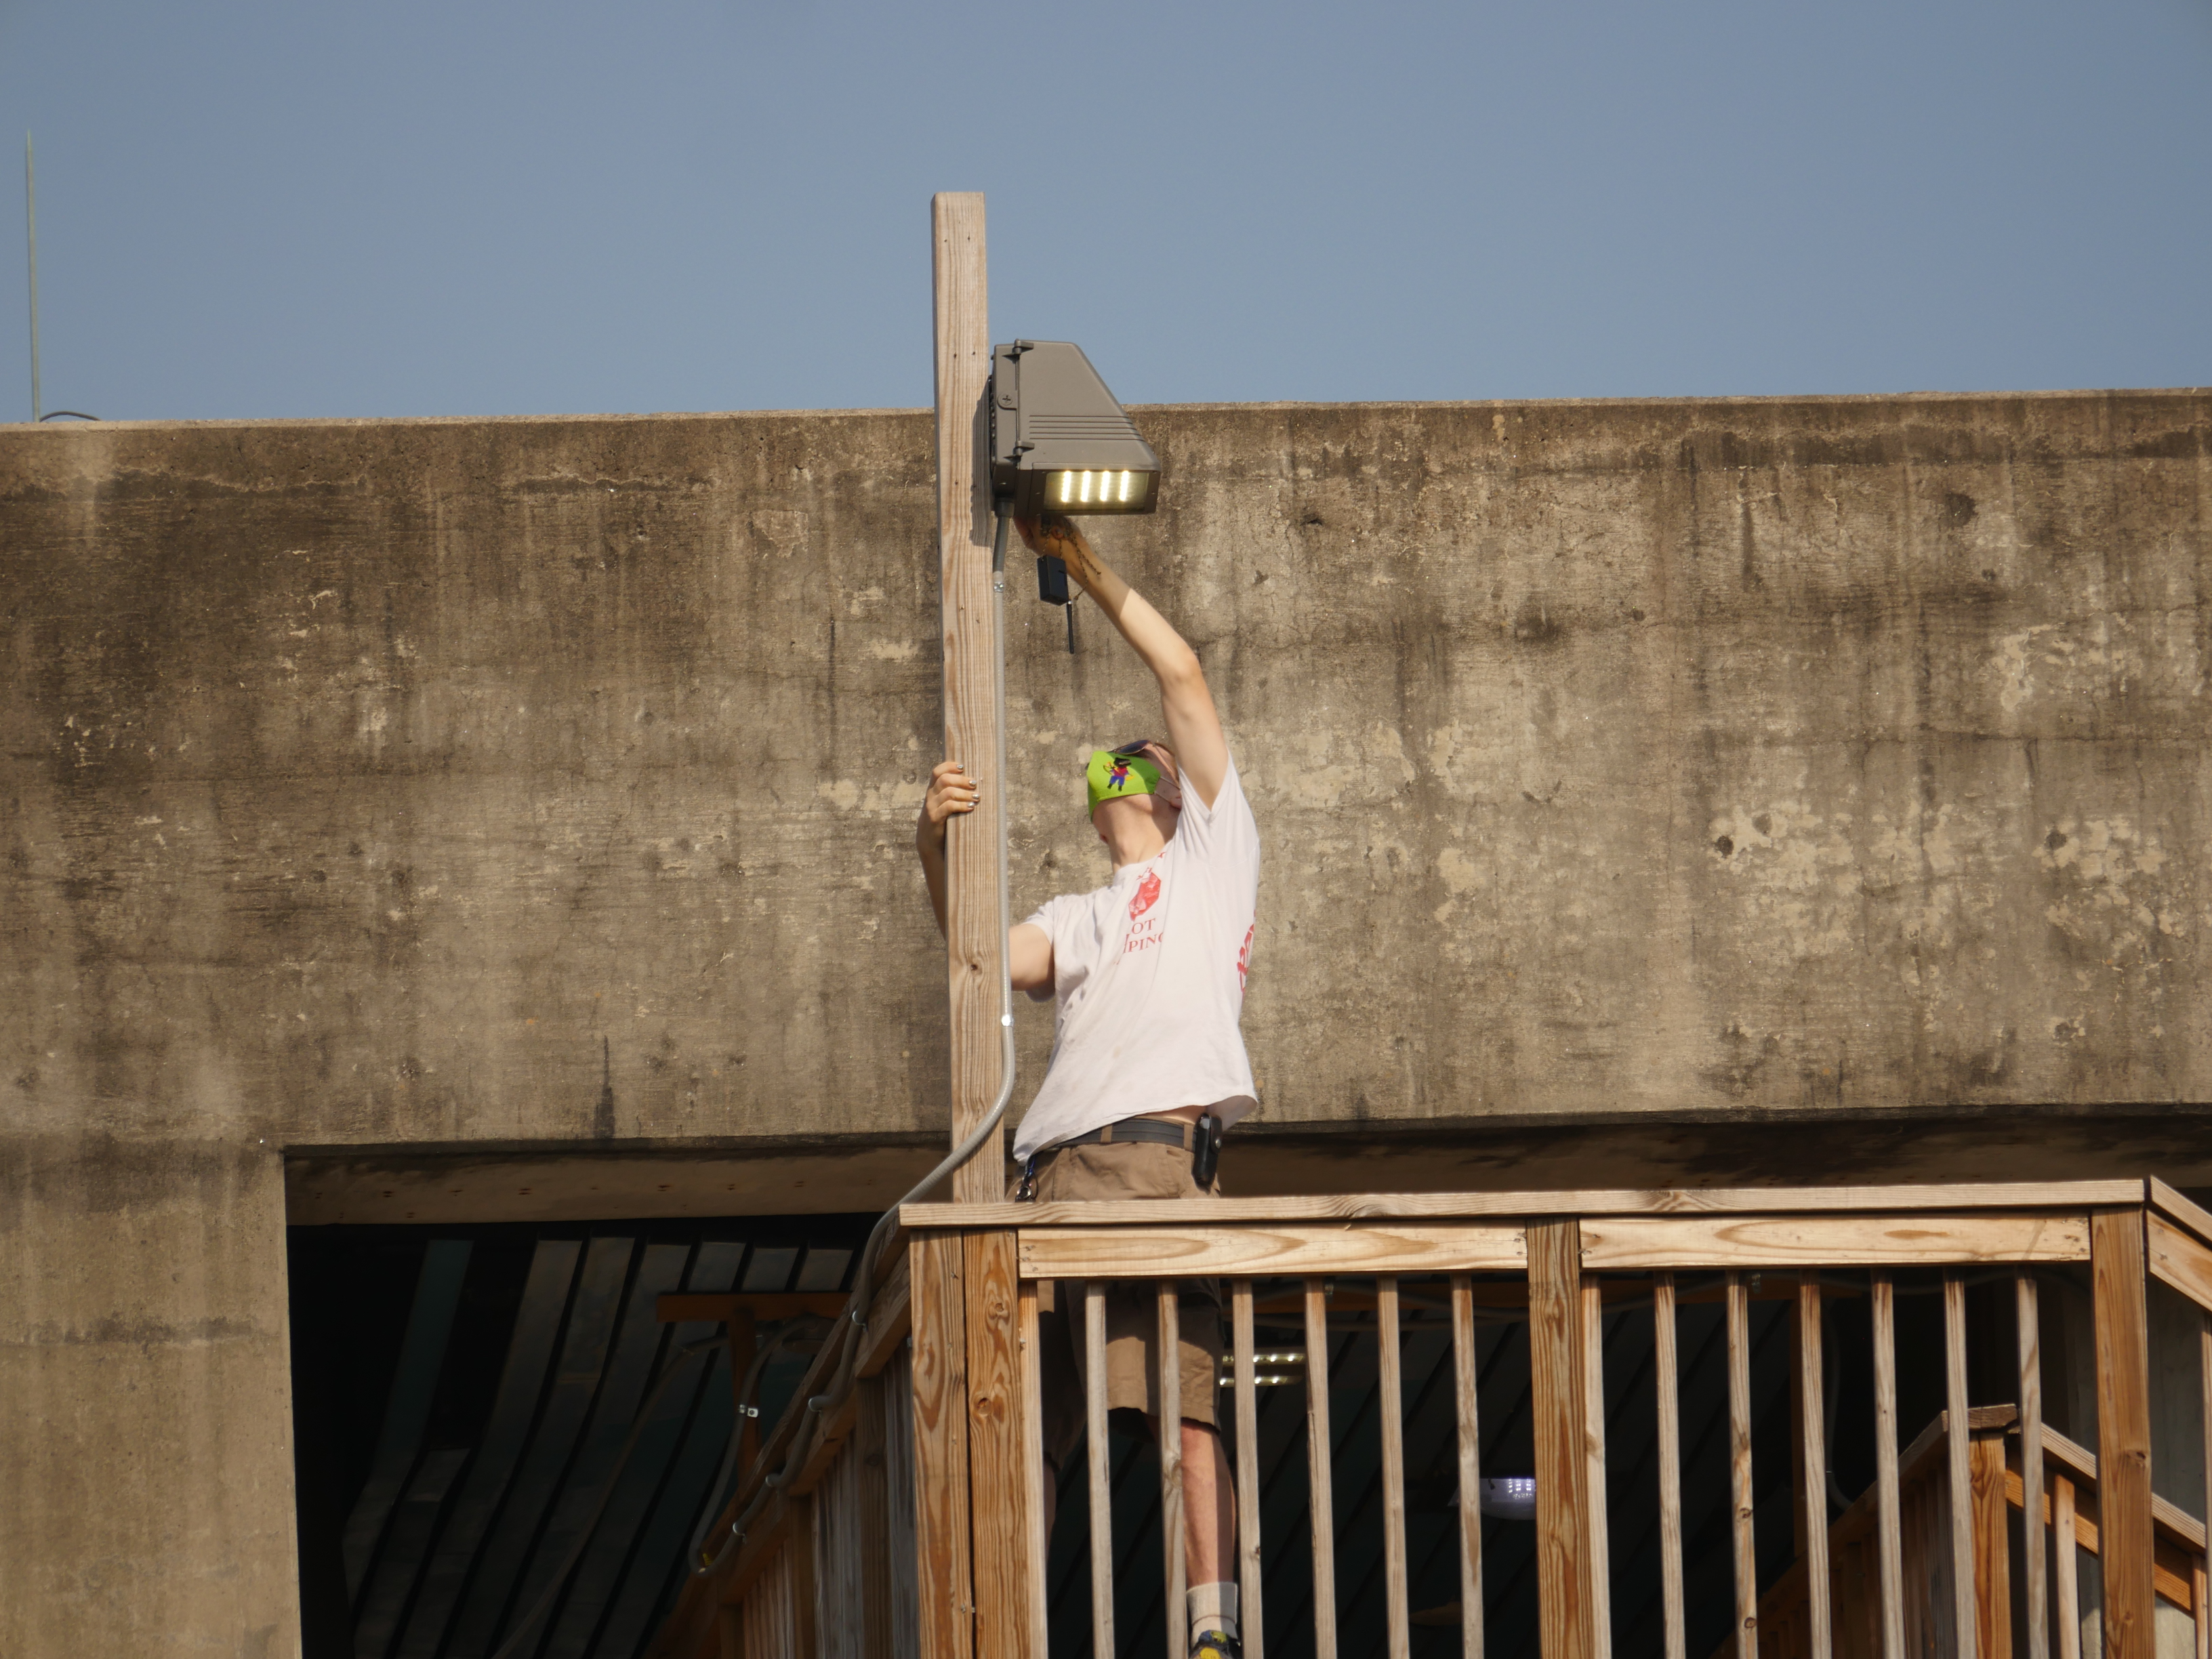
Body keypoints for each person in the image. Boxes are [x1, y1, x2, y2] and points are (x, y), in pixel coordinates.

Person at [914, 510, 1258, 1659]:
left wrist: (1079, 562)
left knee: (1181, 1412)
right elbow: (972, 951)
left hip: (1156, 1161)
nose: (1124, 763)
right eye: (1111, 763)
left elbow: (1182, 674)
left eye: (1140, 760)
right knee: (1028, 1430)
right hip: (1050, 1175)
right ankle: (1006, 1627)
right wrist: (932, 844)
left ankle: (1210, 1629)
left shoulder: (1213, 862)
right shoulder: (1080, 915)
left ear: (1167, 794)